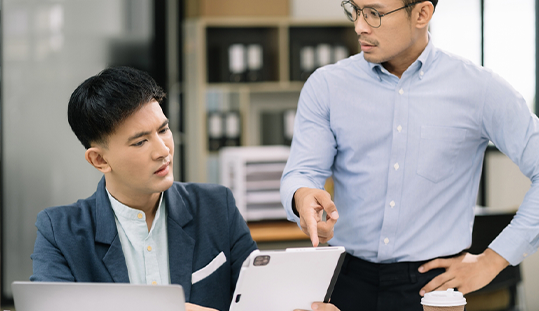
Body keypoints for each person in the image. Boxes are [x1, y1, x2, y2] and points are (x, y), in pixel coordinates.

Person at [280, 0, 539, 310]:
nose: (359, 25)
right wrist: (302, 199)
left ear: (422, 14)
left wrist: (493, 260)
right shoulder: (326, 86)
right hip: (344, 279)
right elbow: (302, 171)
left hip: (431, 287)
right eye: (354, 9)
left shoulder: (478, 89)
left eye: (374, 13)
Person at [31, 66, 338, 311]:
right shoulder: (60, 231)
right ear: (99, 160)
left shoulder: (217, 207)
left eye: (163, 130)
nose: (162, 149)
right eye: (141, 141)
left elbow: (259, 301)